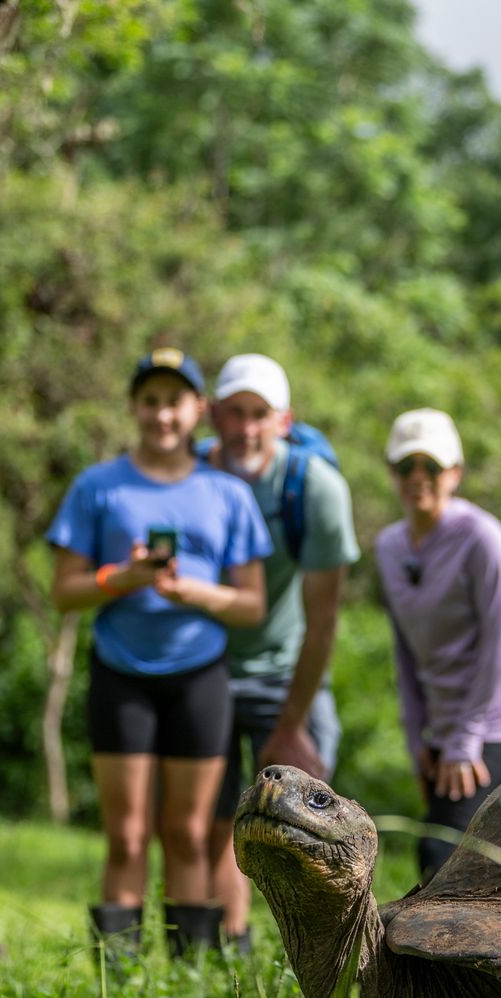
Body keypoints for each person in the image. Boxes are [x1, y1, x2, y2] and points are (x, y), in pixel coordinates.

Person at [46, 348, 272, 961]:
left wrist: (190, 591)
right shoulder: (99, 487)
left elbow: (252, 605)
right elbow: (64, 592)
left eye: (174, 402)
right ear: (134, 407)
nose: (162, 415)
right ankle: (114, 979)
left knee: (191, 833)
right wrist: (123, 578)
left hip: (199, 677)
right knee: (124, 836)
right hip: (123, 676)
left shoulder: (226, 494)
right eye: (150, 401)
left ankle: (185, 978)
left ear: (198, 409)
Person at [198, 353, 360, 951]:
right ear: (213, 414)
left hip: (286, 670)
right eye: (233, 413)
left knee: (309, 818)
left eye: (258, 415)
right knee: (211, 821)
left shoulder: (312, 488)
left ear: (284, 420)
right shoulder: (188, 478)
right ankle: (228, 950)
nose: (245, 428)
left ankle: (320, 954)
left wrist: (293, 723)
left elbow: (322, 623)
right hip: (205, 669)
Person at [375, 408, 501, 877]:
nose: (418, 478)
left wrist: (464, 740)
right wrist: (418, 741)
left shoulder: (482, 538)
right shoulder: (389, 547)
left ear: (454, 473)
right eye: (405, 466)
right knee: (447, 863)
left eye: (430, 467)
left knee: (442, 860)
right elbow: (406, 653)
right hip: (444, 733)